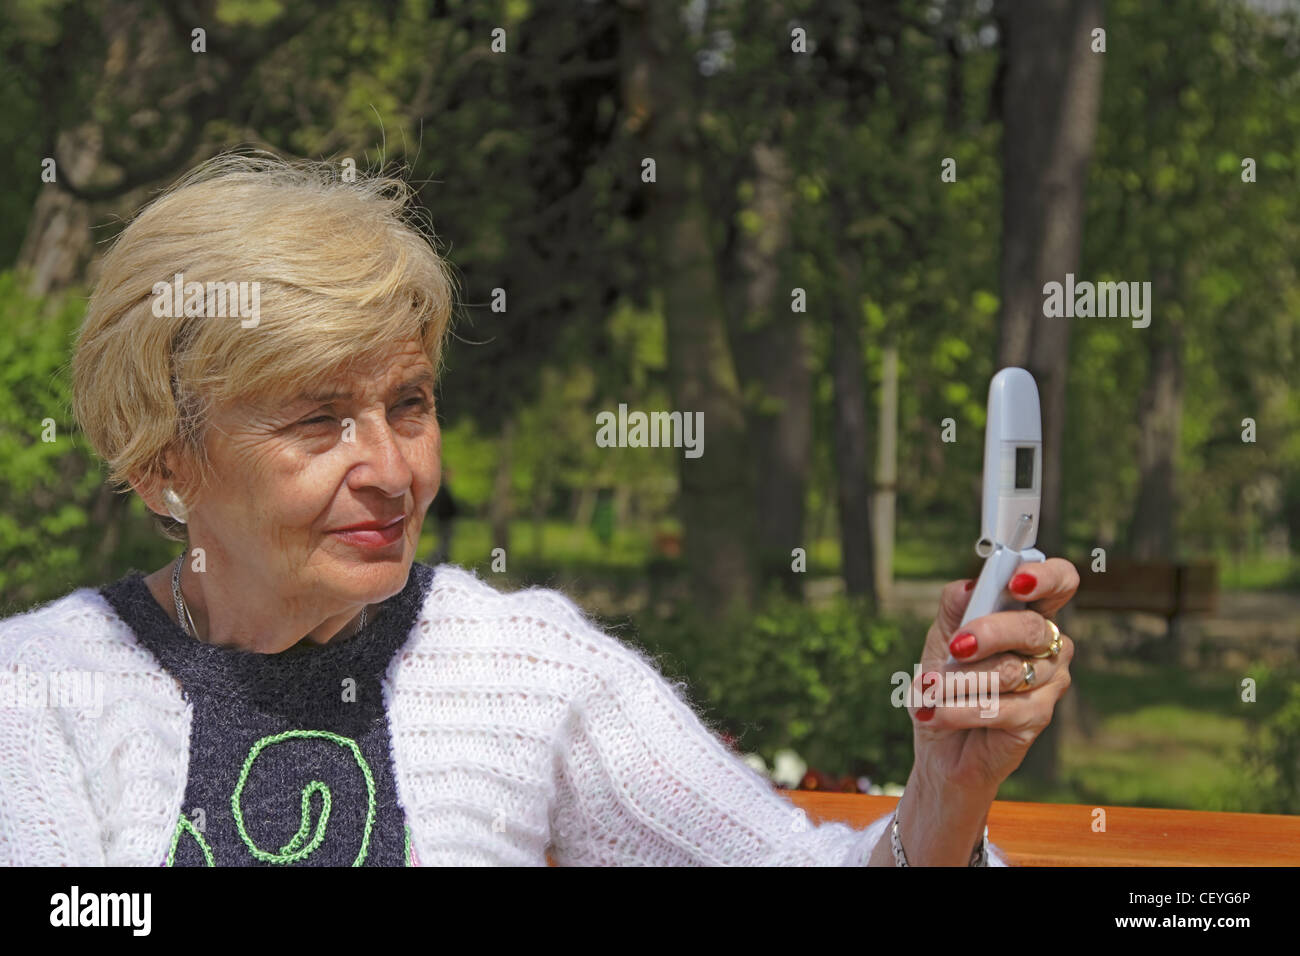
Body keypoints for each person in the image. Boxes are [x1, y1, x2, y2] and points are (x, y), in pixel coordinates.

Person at [0, 152, 1077, 866]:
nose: (392, 466)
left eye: (408, 403)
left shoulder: (525, 666)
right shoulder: (37, 693)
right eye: (318, 419)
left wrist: (946, 789)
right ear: (164, 466)